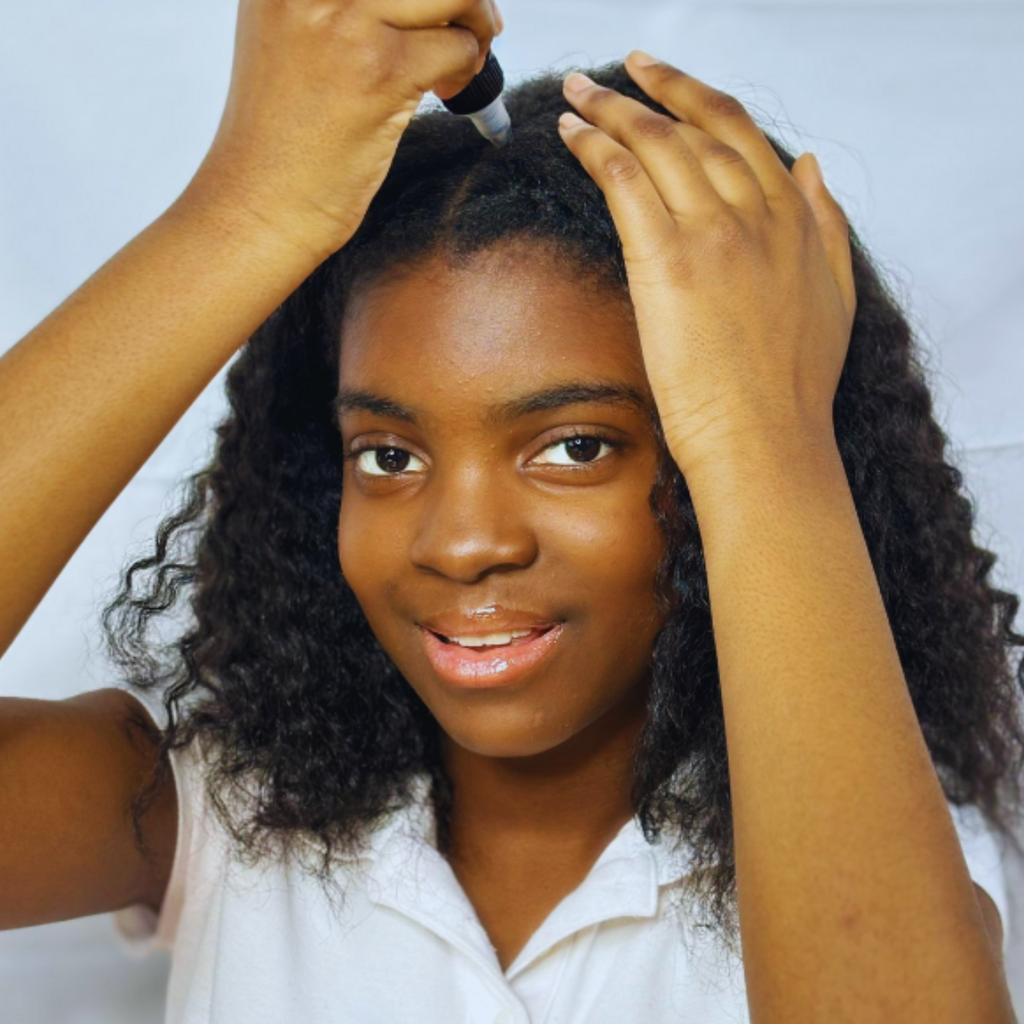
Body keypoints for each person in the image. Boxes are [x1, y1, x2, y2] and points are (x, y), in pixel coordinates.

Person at [0, 1, 1021, 1021]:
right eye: (389, 454)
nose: (464, 543)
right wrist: (245, 211)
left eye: (575, 446)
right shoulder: (222, 819)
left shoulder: (902, 857)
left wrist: (770, 434)